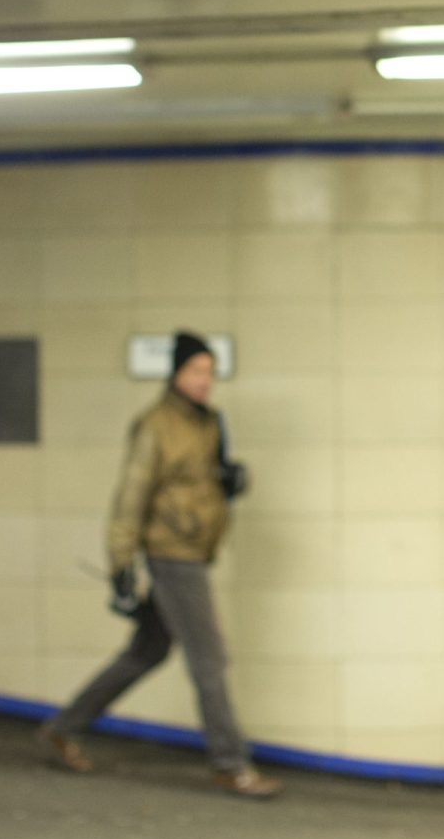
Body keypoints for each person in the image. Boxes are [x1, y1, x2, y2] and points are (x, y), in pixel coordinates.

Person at [37, 333, 280, 798]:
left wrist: (229, 481)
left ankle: (63, 729)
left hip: (193, 551)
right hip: (173, 556)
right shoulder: (155, 425)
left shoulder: (207, 423)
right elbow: (131, 498)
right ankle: (231, 763)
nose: (205, 381)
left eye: (210, 371)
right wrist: (121, 565)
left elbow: (198, 484)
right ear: (176, 373)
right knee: (210, 660)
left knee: (147, 650)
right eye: (196, 371)